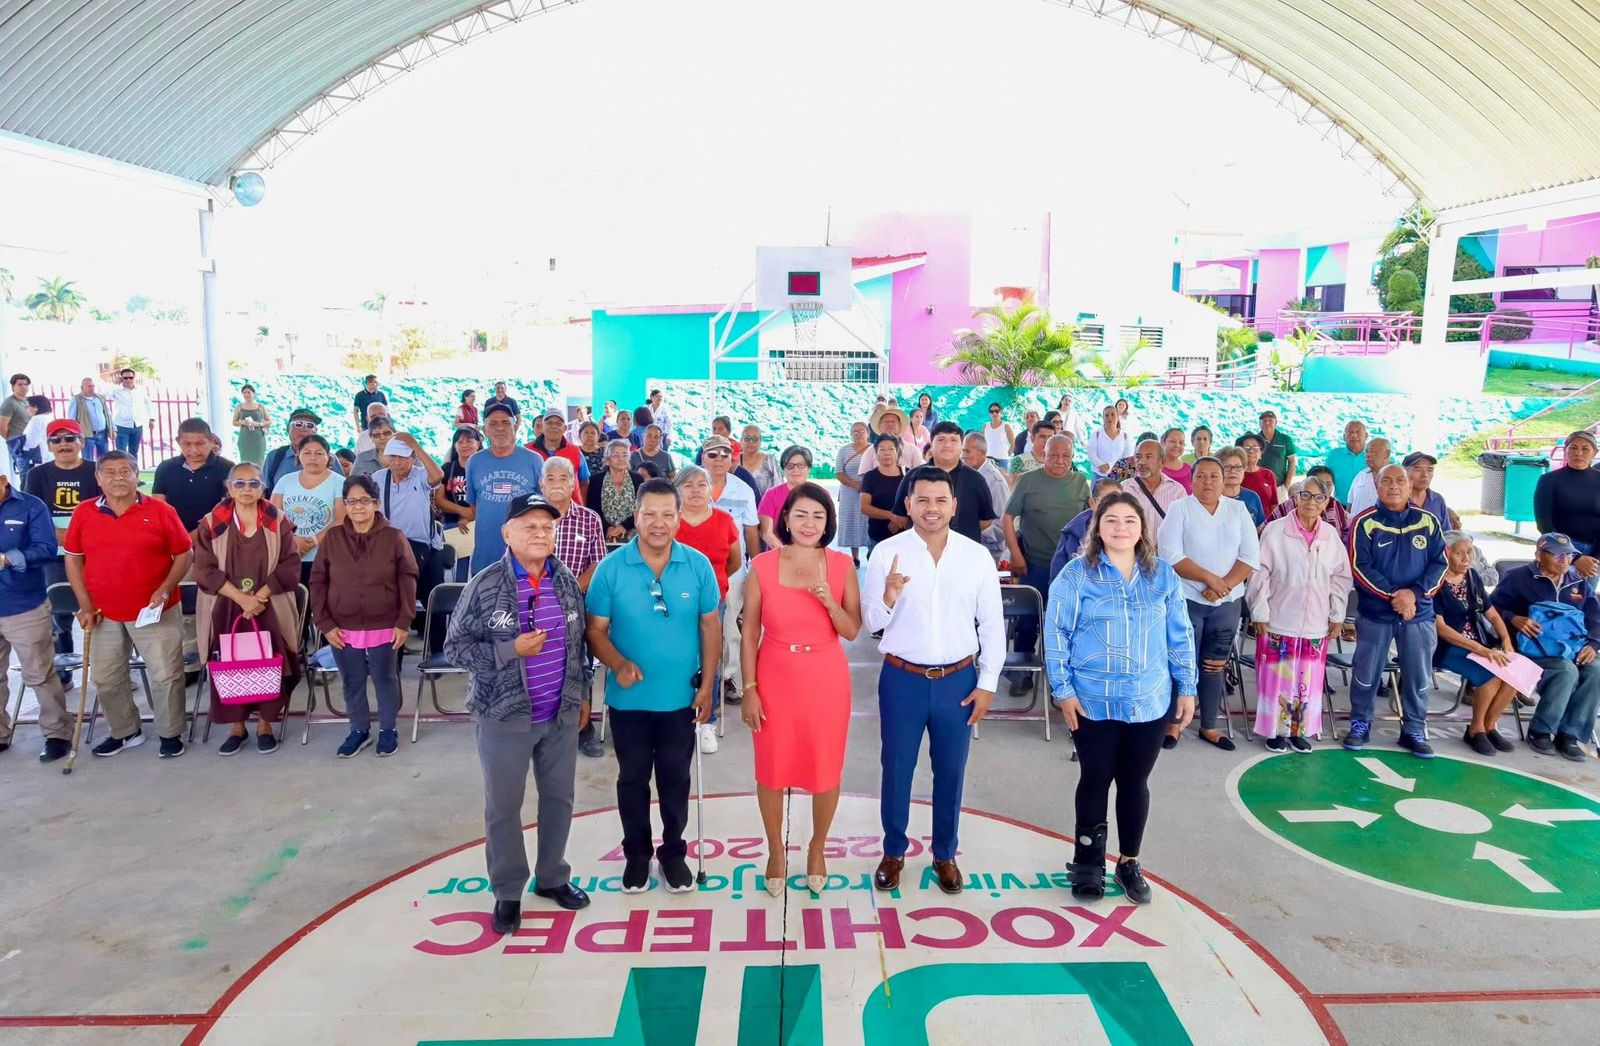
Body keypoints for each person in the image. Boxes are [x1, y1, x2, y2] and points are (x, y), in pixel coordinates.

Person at [446, 493, 594, 932]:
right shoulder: (485, 584)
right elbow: (455, 649)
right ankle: (508, 891)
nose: (539, 533)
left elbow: (579, 644)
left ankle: (552, 878)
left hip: (560, 714)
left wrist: (581, 694)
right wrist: (509, 650)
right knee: (504, 807)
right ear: (506, 533)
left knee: (559, 800)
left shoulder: (565, 580)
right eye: (528, 525)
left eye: (547, 527)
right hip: (504, 718)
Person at [1045, 492, 1197, 905]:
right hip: (1092, 701)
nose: (1121, 528)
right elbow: (1056, 633)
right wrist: (1062, 690)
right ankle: (1088, 863)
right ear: (1097, 527)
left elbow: (1180, 635)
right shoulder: (1076, 576)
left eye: (1130, 521)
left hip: (1149, 701)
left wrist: (1187, 687)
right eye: (1111, 520)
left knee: (1135, 783)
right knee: (1095, 779)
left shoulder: (1162, 576)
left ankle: (1129, 862)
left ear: (1142, 528)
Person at [864, 469, 1004, 896]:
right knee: (898, 768)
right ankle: (893, 850)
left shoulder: (976, 556)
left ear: (954, 506)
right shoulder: (886, 553)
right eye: (922, 500)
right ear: (908, 504)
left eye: (940, 500)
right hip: (902, 678)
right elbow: (871, 621)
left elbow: (992, 625)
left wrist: (988, 682)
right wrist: (888, 597)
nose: (932, 509)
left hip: (958, 681)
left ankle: (945, 854)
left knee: (950, 771)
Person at [585, 479, 721, 892]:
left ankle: (674, 853)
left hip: (680, 698)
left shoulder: (698, 566)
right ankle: (637, 856)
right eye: (649, 514)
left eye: (667, 514)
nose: (658, 523)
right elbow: (595, 630)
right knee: (632, 779)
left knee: (676, 780)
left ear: (679, 519)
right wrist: (618, 663)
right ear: (636, 518)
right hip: (629, 701)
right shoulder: (611, 569)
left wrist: (708, 687)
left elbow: (710, 627)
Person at [741, 483, 861, 894]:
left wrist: (830, 602)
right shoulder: (761, 566)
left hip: (825, 677)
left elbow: (851, 630)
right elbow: (749, 632)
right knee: (771, 769)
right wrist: (751, 688)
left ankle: (816, 848)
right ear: (785, 520)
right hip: (774, 674)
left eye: (818, 516)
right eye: (801, 515)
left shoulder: (842, 566)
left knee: (825, 768)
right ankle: (775, 849)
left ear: (828, 523)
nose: (809, 524)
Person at [63, 452, 192, 759]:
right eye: (109, 472)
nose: (118, 477)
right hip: (102, 612)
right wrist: (84, 605)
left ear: (137, 476)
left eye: (125, 471)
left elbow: (184, 554)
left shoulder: (160, 511)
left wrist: (164, 589)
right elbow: (73, 558)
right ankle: (125, 731)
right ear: (98, 478)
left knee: (166, 674)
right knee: (106, 677)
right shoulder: (83, 513)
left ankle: (170, 732)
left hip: (153, 609)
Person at [192, 463, 303, 756]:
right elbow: (203, 569)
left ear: (262, 488)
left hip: (269, 604)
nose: (246, 490)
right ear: (229, 488)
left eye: (253, 484)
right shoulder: (212, 522)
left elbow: (290, 565)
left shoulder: (276, 519)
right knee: (232, 662)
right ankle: (237, 726)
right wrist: (242, 599)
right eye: (239, 484)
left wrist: (259, 597)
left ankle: (265, 724)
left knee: (270, 660)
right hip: (226, 606)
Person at [1157, 457, 1259, 751]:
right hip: (1188, 600)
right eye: (1201, 476)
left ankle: (1209, 726)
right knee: (1182, 663)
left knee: (1214, 665)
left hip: (1227, 604)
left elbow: (1250, 556)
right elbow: (1171, 554)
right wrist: (1210, 581)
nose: (1208, 482)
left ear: (1223, 478)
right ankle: (1173, 724)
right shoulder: (1180, 509)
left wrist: (1223, 585)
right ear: (1193, 479)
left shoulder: (1238, 510)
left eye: (1214, 476)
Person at [1345, 464, 1448, 757]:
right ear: (1377, 487)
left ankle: (1414, 728)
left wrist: (1413, 595)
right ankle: (1360, 724)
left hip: (1419, 614)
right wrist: (1395, 596)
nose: (1393, 486)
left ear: (1409, 483)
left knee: (1418, 676)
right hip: (1376, 614)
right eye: (1386, 481)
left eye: (1399, 480)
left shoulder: (1428, 521)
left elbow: (1440, 564)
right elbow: (1359, 567)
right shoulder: (1364, 522)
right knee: (1366, 674)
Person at [313, 474, 417, 758]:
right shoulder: (332, 538)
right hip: (341, 625)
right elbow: (318, 581)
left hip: (385, 623)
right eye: (351, 501)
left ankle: (388, 729)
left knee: (385, 678)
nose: (357, 507)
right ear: (344, 504)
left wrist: (404, 621)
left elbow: (408, 579)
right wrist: (324, 622)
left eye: (364, 500)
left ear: (376, 503)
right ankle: (358, 730)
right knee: (352, 680)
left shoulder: (393, 537)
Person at [1247, 476, 1351, 752]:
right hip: (1279, 620)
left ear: (1327, 503)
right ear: (1295, 497)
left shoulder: (1330, 536)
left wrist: (1337, 613)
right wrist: (1259, 610)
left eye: (1319, 498)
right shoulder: (1276, 530)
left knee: (1307, 681)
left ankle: (1297, 730)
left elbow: (1341, 578)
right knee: (1277, 678)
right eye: (1306, 495)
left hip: (1316, 623)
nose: (1311, 502)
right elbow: (1259, 574)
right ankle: (1275, 732)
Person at [1490, 533, 1600, 761]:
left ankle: (1569, 734)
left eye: (1569, 555)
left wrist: (1593, 643)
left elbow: (1595, 618)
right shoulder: (1517, 578)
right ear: (1539, 554)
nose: (1565, 560)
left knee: (1595, 670)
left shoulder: (1578, 581)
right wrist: (1513, 618)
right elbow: (1490, 609)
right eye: (1558, 555)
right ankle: (1541, 730)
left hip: (1573, 648)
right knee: (1565, 670)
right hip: (1532, 651)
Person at [1004, 435, 1091, 695]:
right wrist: (1016, 554)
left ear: (1072, 457)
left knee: (1066, 625)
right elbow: (1008, 519)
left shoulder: (1081, 483)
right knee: (1028, 621)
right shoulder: (1028, 481)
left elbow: (1092, 520)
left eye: (1066, 456)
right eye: (1054, 455)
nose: (1060, 461)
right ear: (1044, 454)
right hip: (1035, 565)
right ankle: (1022, 675)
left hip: (1071, 569)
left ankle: (1061, 679)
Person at [0, 470, 71, 761]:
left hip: (23, 604)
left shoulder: (30, 506)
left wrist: (8, 558)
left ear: (3, 480)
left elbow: (46, 549)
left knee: (39, 673)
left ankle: (57, 735)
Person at [537, 457, 606, 758]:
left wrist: (571, 588)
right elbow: (516, 558)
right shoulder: (531, 518)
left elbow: (599, 562)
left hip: (578, 605)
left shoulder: (589, 519)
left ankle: (584, 728)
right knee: (542, 665)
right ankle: (545, 725)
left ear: (572, 483)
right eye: (550, 479)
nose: (556, 484)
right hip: (537, 606)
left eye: (562, 479)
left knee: (580, 666)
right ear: (541, 485)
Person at [26, 418, 100, 689]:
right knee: (60, 612)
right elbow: (33, 512)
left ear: (81, 441)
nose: (64, 445)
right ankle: (66, 672)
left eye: (69, 438)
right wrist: (58, 536)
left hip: (94, 551)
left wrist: (81, 538)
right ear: (49, 445)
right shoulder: (38, 475)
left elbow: (106, 509)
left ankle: (112, 668)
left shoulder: (96, 471)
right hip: (54, 553)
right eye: (56, 440)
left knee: (103, 607)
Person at [674, 465, 743, 755]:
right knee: (677, 658)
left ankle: (707, 721)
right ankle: (677, 715)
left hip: (712, 602)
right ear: (677, 490)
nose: (695, 490)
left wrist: (714, 588)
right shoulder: (671, 521)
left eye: (701, 485)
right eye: (687, 485)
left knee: (709, 659)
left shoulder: (724, 521)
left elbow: (734, 563)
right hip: (672, 601)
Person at [1433, 531, 1519, 756]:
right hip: (1447, 647)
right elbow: (1441, 629)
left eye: (1469, 552)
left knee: (1512, 673)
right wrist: (1481, 650)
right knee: (1489, 674)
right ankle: (1475, 729)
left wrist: (1505, 639)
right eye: (1459, 553)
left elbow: (1491, 613)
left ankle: (1490, 726)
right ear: (1446, 554)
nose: (1466, 558)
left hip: (1479, 643)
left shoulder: (1472, 577)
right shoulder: (1435, 581)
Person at [701, 435, 760, 711]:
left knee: (729, 629)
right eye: (713, 454)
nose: (719, 460)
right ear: (703, 457)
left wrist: (757, 568)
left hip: (733, 573)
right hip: (693, 575)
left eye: (725, 455)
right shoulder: (689, 485)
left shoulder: (743, 490)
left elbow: (751, 532)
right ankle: (702, 674)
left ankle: (728, 678)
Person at [465, 403, 544, 575]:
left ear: (515, 427)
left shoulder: (534, 461)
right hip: (485, 559)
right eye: (493, 424)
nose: (500, 428)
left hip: (524, 557)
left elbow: (543, 508)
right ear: (484, 431)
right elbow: (474, 507)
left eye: (506, 423)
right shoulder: (474, 462)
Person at [374, 434, 445, 617]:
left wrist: (415, 444)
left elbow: (438, 476)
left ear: (413, 458)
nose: (397, 462)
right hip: (390, 547)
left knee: (433, 601)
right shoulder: (379, 478)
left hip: (422, 545)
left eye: (403, 457)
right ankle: (397, 642)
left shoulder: (420, 475)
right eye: (393, 457)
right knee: (396, 597)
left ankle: (436, 643)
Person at [891, 423, 997, 546]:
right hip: (919, 550)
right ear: (931, 443)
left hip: (964, 551)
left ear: (961, 445)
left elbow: (985, 522)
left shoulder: (976, 479)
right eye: (941, 439)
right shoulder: (913, 477)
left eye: (953, 440)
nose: (947, 445)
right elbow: (899, 517)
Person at [271, 434, 346, 587]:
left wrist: (312, 541)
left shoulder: (340, 482)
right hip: (288, 555)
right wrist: (292, 542)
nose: (313, 458)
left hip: (325, 557)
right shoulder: (285, 481)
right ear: (299, 456)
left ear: (328, 457)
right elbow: (272, 517)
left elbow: (341, 521)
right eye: (307, 453)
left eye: (319, 453)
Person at [1533, 430, 1600, 579]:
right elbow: (1544, 524)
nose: (1579, 453)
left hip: (1594, 555)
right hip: (1556, 552)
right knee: (1557, 598)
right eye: (1573, 448)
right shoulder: (1548, 481)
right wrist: (1575, 557)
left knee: (1584, 600)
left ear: (1594, 453)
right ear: (1566, 451)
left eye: (1585, 449)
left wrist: (1595, 559)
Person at [152, 418, 234, 533]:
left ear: (211, 441)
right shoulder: (165, 468)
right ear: (178, 441)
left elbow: (227, 511)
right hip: (173, 536)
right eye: (187, 444)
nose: (194, 450)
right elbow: (158, 509)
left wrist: (190, 541)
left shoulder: (227, 468)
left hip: (213, 538)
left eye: (200, 444)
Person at [1049, 476, 1122, 582]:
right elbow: (1058, 574)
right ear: (1093, 503)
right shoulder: (1075, 531)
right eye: (1106, 501)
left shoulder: (1130, 531)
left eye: (1118, 501)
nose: (1112, 507)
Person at [264, 409, 344, 494]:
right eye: (299, 424)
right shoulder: (275, 457)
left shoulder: (330, 459)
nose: (304, 429)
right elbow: (263, 491)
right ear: (288, 428)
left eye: (309, 426)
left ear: (315, 432)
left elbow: (342, 492)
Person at [1266, 464, 1353, 541]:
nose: (1324, 488)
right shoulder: (1291, 504)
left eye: (1328, 484)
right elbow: (1265, 528)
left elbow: (1350, 527)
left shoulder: (1334, 504)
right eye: (1318, 483)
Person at [435, 425, 481, 566]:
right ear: (454, 446)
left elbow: (489, 498)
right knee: (455, 571)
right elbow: (439, 500)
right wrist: (462, 512)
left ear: (478, 444)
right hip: (452, 526)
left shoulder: (486, 468)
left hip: (479, 524)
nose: (464, 445)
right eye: (460, 442)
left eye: (469, 441)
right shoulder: (447, 469)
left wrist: (470, 517)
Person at [964, 431, 1013, 559]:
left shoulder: (995, 482)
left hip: (988, 551)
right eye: (963, 451)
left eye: (967, 452)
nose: (963, 456)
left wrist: (974, 527)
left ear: (982, 454)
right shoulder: (968, 474)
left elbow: (1002, 527)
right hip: (969, 546)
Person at [588, 438, 642, 545]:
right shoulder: (595, 480)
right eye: (616, 455)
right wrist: (607, 528)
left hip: (633, 533)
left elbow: (642, 508)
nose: (621, 459)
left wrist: (625, 526)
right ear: (607, 460)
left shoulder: (638, 479)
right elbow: (593, 509)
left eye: (624, 455)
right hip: (604, 533)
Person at [757, 445, 813, 549]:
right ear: (783, 469)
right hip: (778, 555)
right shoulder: (771, 495)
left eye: (800, 465)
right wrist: (786, 554)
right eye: (790, 465)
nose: (795, 469)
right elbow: (766, 533)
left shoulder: (821, 494)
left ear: (809, 468)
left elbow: (824, 531)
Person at [859, 435, 906, 552]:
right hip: (877, 536)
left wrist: (902, 519)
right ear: (876, 453)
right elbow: (864, 507)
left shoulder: (908, 475)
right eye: (882, 449)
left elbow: (917, 502)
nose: (887, 453)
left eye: (891, 449)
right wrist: (891, 516)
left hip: (905, 535)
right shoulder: (870, 477)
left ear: (897, 452)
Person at [529, 410, 591, 498]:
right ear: (542, 426)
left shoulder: (575, 451)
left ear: (565, 428)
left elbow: (584, 482)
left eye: (558, 424)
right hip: (538, 509)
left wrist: (581, 506)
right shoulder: (529, 451)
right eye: (549, 423)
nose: (554, 426)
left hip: (571, 510)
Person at [1122, 439, 1185, 524]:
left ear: (1162, 461)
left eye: (1148, 457)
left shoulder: (1177, 491)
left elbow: (1184, 524)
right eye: (1138, 457)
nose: (1142, 462)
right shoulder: (1124, 488)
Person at [834, 423, 872, 564]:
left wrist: (867, 486)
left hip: (870, 492)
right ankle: (854, 557)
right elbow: (838, 473)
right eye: (854, 431)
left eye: (861, 431)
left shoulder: (874, 450)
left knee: (869, 521)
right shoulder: (844, 450)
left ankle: (871, 551)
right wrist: (855, 485)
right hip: (849, 492)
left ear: (868, 433)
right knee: (851, 522)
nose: (858, 434)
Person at [858, 404, 923, 473]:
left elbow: (920, 476)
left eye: (893, 422)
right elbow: (865, 477)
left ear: (900, 426)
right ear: (879, 426)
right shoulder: (870, 451)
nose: (890, 424)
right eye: (886, 422)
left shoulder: (913, 450)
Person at [108, 368, 154, 461]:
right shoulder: (115, 390)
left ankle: (134, 473)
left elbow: (148, 403)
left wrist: (151, 418)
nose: (128, 380)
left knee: (134, 452)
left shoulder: (140, 390)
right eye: (125, 378)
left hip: (137, 425)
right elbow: (103, 396)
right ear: (121, 378)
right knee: (121, 453)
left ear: (134, 378)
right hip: (121, 425)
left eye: (130, 377)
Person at [1402, 451, 1457, 528]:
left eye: (1430, 470)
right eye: (1418, 470)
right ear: (1404, 472)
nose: (1425, 475)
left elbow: (1446, 533)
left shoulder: (1438, 499)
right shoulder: (1397, 499)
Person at [1218, 445, 1266, 527]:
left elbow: (1260, 530)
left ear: (1244, 470)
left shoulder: (1253, 497)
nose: (1233, 471)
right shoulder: (1212, 498)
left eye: (1238, 467)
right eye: (1227, 467)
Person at [1247, 410, 1297, 489]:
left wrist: (1286, 486)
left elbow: (1292, 462)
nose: (1267, 423)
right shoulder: (1255, 440)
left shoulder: (1285, 439)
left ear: (1276, 423)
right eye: (1264, 420)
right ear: (1260, 424)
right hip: (1258, 486)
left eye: (1270, 420)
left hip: (1279, 487)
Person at [68, 378, 113, 461]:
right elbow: (72, 419)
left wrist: (113, 430)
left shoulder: (100, 398)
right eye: (89, 386)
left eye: (93, 386)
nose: (92, 388)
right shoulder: (76, 400)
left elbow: (108, 415)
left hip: (102, 434)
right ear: (82, 387)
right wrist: (75, 435)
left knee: (104, 460)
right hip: (87, 435)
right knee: (87, 460)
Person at [1324, 420, 1368, 506]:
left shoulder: (1373, 455)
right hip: (1341, 506)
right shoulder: (1334, 455)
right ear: (1344, 437)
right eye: (1350, 432)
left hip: (1368, 507)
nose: (1354, 435)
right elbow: (1325, 481)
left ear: (1366, 436)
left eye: (1358, 432)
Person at [1346, 436, 1391, 516]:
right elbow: (1350, 505)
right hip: (1357, 526)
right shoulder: (1360, 476)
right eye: (1367, 451)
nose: (1368, 455)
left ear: (1387, 454)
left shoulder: (1396, 478)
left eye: (1373, 452)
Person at [1087, 405, 1135, 478]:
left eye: (1113, 414)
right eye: (1106, 415)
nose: (1110, 417)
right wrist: (1100, 465)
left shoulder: (1125, 436)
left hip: (1117, 476)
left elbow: (1127, 458)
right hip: (1098, 475)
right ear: (1103, 419)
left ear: (1118, 417)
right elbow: (1091, 455)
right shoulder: (1096, 435)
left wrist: (1109, 466)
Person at [1238, 434, 1280, 511]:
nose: (1251, 451)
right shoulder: (1235, 474)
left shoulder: (1269, 475)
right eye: (1246, 448)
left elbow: (1273, 504)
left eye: (1255, 448)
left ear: (1261, 454)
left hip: (1266, 522)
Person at [1, 374, 32, 479]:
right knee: (25, 475)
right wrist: (13, 441)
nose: (23, 386)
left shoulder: (29, 401)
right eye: (20, 384)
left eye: (26, 384)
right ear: (13, 386)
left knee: (34, 474)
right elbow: (2, 426)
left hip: (31, 443)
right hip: (19, 445)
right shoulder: (9, 403)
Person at [19, 395, 54, 484]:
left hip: (37, 461)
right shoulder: (49, 417)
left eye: (28, 406)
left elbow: (31, 443)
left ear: (35, 407)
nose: (27, 409)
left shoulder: (37, 419)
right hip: (49, 458)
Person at [350, 413, 397, 478]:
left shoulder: (406, 456)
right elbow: (353, 484)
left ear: (395, 434)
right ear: (371, 438)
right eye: (377, 435)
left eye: (386, 433)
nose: (382, 437)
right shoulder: (362, 458)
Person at [232, 385, 270, 466]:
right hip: (245, 438)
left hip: (258, 438)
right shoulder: (239, 407)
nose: (246, 394)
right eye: (244, 393)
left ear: (253, 393)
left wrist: (259, 424)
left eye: (248, 392)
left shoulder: (260, 407)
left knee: (259, 461)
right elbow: (234, 422)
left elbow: (269, 421)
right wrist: (242, 422)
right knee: (245, 461)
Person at [738, 424, 779, 497]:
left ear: (760, 442)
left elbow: (778, 487)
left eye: (755, 439)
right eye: (747, 438)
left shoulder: (769, 461)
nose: (751, 442)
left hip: (767, 506)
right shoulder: (734, 462)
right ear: (741, 441)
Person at [1159, 428, 1192, 492]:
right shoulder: (1155, 468)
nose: (1177, 445)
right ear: (1163, 442)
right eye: (1172, 441)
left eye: (1181, 443)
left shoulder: (1189, 469)